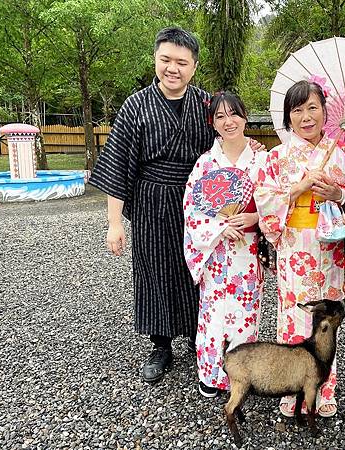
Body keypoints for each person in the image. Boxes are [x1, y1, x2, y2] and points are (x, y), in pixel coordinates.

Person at [88, 28, 216, 383]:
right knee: (154, 270)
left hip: (197, 202)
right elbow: (117, 164)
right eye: (166, 60)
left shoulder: (207, 105)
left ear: (194, 66)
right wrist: (115, 223)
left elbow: (226, 148)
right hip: (151, 198)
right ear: (155, 59)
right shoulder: (136, 106)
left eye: (181, 62)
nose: (172, 68)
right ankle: (161, 344)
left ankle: (197, 335)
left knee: (198, 269)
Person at [255, 80, 345, 418]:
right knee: (293, 318)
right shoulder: (277, 158)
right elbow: (264, 200)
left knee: (326, 321)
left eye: (312, 107)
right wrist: (299, 187)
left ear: (325, 111)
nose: (305, 117)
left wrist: (338, 199)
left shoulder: (344, 156)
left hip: (330, 249)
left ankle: (324, 386)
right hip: (296, 248)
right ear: (288, 117)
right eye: (296, 110)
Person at [183, 92, 266, 398]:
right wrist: (218, 226)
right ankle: (211, 374)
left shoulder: (261, 158)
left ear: (245, 117)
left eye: (234, 114)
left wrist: (255, 216)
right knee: (213, 316)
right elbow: (191, 207)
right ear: (212, 123)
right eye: (220, 116)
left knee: (245, 316)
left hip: (247, 250)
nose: (228, 122)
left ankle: (241, 375)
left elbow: (275, 202)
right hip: (215, 254)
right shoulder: (206, 162)